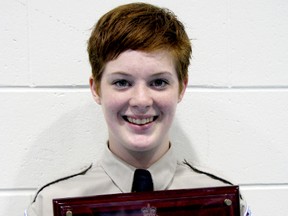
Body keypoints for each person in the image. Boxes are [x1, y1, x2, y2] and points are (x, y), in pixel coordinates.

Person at [25, 2, 250, 216]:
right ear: (96, 89)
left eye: (159, 82)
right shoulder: (50, 204)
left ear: (181, 88)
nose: (141, 101)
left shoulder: (223, 202)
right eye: (122, 82)